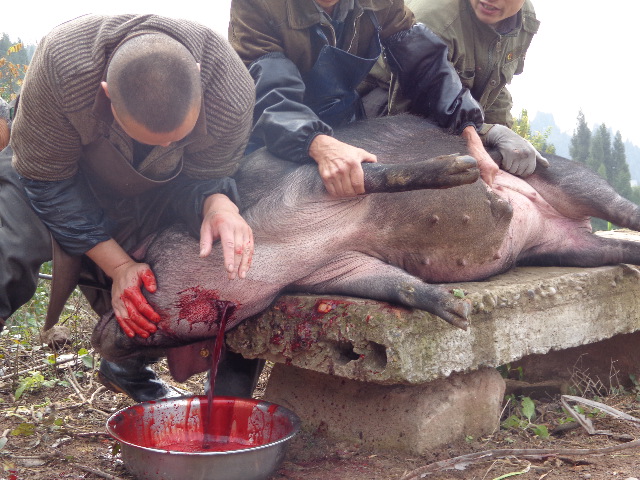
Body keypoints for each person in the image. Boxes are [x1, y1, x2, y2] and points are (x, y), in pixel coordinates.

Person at [3, 14, 257, 402]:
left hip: (159, 187)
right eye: (155, 139)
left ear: (200, 78)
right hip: (54, 172)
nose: (168, 146)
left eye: (180, 137)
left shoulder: (231, 91)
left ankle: (129, 366)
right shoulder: (63, 66)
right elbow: (46, 180)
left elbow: (205, 176)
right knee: (7, 251)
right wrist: (118, 265)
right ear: (106, 95)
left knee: (174, 270)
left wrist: (216, 203)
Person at [229, 0, 545, 195]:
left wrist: (469, 130)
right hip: (271, 130)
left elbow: (424, 63)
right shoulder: (256, 4)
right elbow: (271, 91)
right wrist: (318, 143)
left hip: (345, 118)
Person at [371, 0, 545, 175]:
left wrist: (505, 135)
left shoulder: (523, 18)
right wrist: (486, 132)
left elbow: (495, 87)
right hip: (388, 106)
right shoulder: (435, 17)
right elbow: (409, 110)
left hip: (459, 111)